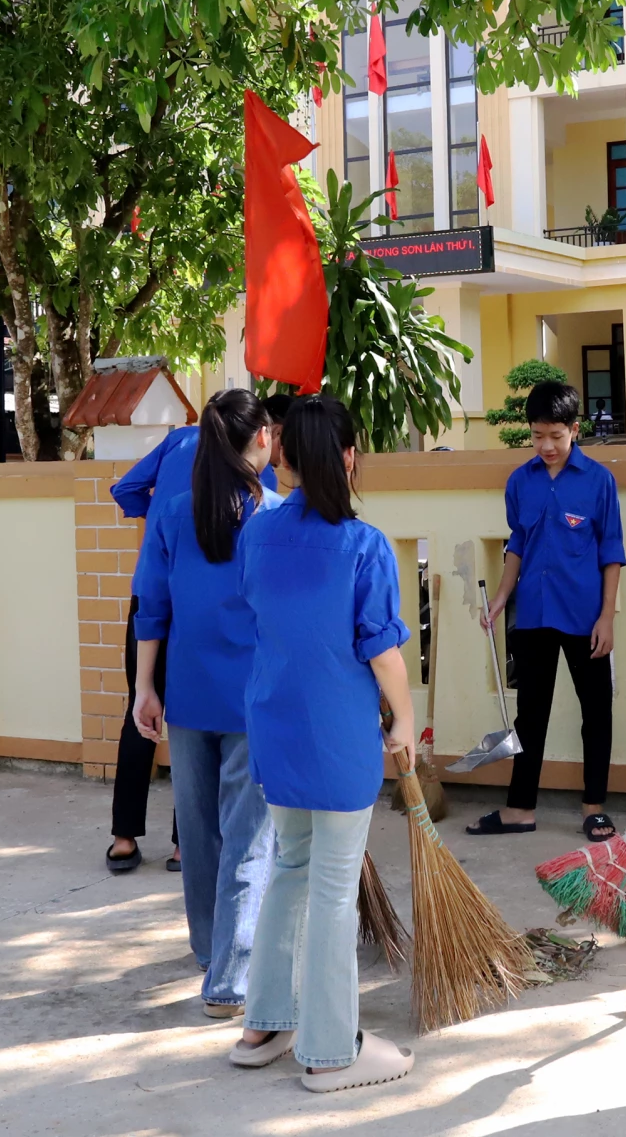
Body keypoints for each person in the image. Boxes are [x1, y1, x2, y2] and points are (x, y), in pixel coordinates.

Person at [229, 396, 417, 1092]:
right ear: (346, 456)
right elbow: (384, 653)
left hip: (274, 726)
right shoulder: (364, 545)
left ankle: (265, 1024)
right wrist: (403, 720)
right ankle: (332, 1050)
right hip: (337, 736)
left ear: (284, 456)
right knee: (333, 887)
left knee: (292, 867)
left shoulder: (260, 535)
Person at [130, 389, 281, 1019]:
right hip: (256, 698)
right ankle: (230, 978)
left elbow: (151, 606)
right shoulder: (274, 517)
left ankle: (207, 950)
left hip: (188, 694)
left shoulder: (170, 511)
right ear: (261, 442)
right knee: (249, 839)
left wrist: (144, 687)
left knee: (197, 831)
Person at [106, 416, 278, 873]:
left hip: (151, 598)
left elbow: (124, 490)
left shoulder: (176, 443)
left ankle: (124, 836)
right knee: (201, 723)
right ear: (259, 432)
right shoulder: (262, 476)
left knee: (141, 709)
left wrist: (160, 510)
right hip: (210, 619)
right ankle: (186, 844)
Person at [467, 380, 625, 842]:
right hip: (533, 614)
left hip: (585, 617)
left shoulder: (599, 481)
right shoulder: (520, 482)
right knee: (530, 715)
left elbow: (611, 553)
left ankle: (594, 808)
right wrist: (500, 597)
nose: (547, 445)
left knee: (596, 712)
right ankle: (520, 808)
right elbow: (518, 544)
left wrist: (608, 616)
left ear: (574, 429)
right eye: (538, 436)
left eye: (556, 435)